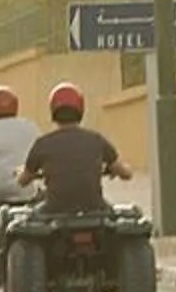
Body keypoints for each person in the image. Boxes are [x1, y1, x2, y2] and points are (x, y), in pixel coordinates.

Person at [20, 81, 127, 212]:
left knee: (24, 216)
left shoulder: (42, 143)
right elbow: (126, 174)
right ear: (81, 109)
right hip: (95, 209)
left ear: (53, 110)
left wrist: (23, 173)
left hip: (53, 210)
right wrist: (117, 170)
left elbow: (23, 181)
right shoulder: (96, 140)